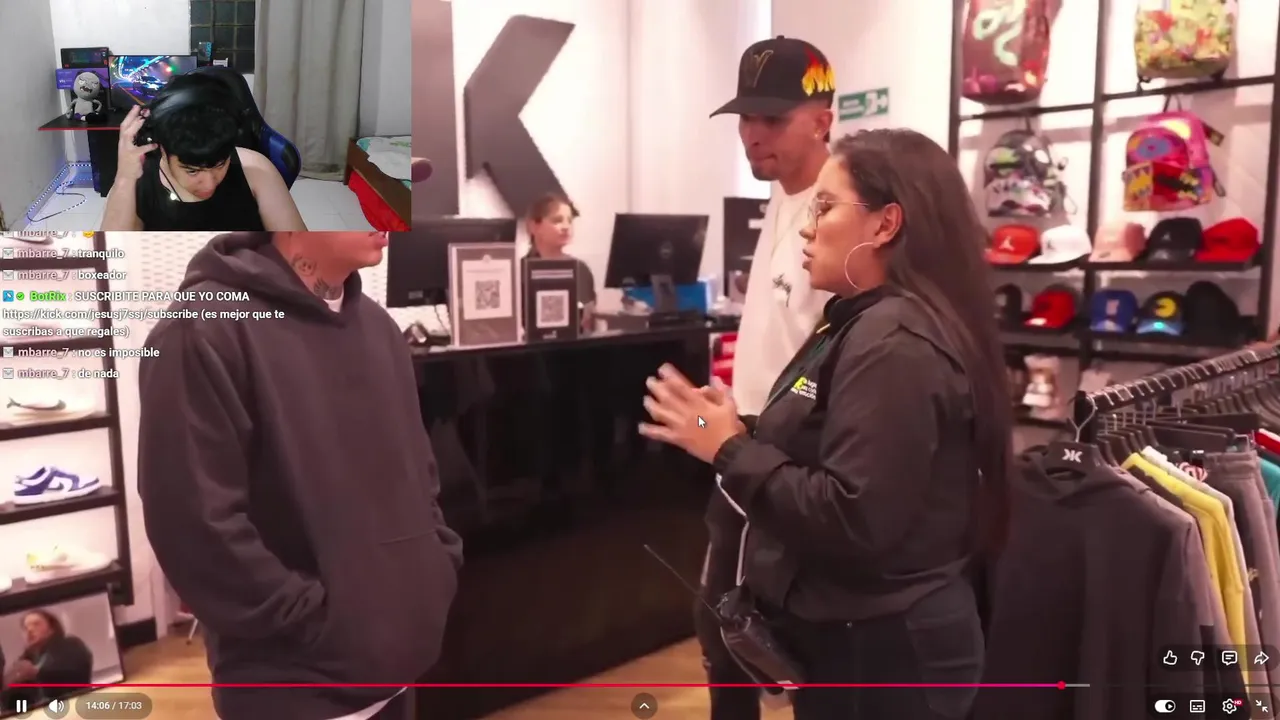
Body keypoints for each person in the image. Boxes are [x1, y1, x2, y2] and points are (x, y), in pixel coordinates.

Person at [639, 129, 1013, 719]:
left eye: (824, 207)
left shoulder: (895, 345)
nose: (807, 229)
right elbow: (823, 438)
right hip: (856, 645)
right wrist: (735, 428)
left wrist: (731, 449)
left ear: (885, 224)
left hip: (887, 659)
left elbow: (854, 516)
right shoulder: (856, 322)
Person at [137, 232, 463, 720]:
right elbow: (194, 528)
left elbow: (418, 475)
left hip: (397, 674)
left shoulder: (378, 328)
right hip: (291, 690)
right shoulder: (202, 330)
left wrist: (432, 572)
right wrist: (318, 621)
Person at [697, 35, 837, 719]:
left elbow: (839, 355)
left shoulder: (840, 215)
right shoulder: (781, 198)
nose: (753, 134)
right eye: (745, 118)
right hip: (743, 443)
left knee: (792, 648)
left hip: (793, 459)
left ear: (822, 119)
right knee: (724, 636)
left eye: (772, 118)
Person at [102, 74, 307, 232]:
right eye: (192, 171)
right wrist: (125, 178)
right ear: (163, 149)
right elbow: (111, 256)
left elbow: (301, 253)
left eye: (220, 164)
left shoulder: (255, 170)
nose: (209, 184)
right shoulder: (137, 179)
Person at [524, 192, 597, 318]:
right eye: (557, 220)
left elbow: (588, 318)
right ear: (534, 226)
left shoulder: (581, 269)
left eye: (570, 221)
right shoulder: (520, 272)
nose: (566, 227)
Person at [0, 609, 93, 708]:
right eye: (25, 628)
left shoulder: (71, 644)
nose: (30, 630)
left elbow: (71, 670)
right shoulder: (22, 662)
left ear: (51, 629)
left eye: (36, 624)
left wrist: (35, 672)